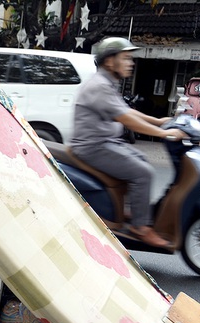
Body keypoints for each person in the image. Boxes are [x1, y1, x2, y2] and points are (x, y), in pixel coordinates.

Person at [70, 37, 187, 248]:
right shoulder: (100, 86)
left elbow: (126, 111)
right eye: (125, 58)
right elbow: (127, 120)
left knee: (140, 159)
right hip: (93, 147)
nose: (131, 63)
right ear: (109, 61)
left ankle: (130, 212)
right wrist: (163, 134)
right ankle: (140, 227)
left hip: (105, 143)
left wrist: (158, 121)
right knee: (143, 173)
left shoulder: (106, 83)